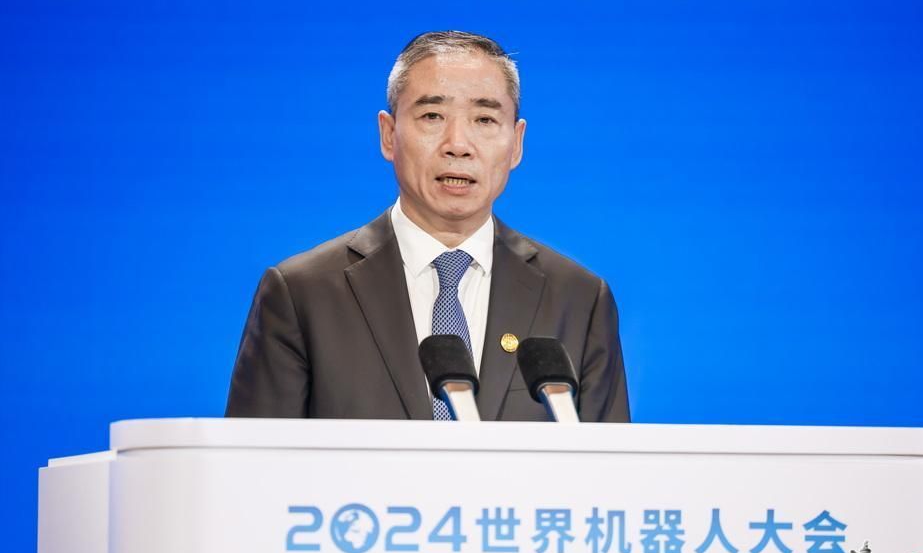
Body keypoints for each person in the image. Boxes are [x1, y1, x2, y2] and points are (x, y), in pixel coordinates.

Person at [225, 31, 629, 422]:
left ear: (516, 143)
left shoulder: (578, 300)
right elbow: (252, 461)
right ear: (389, 134)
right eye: (432, 116)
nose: (458, 144)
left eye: (485, 119)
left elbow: (612, 464)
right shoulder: (302, 294)